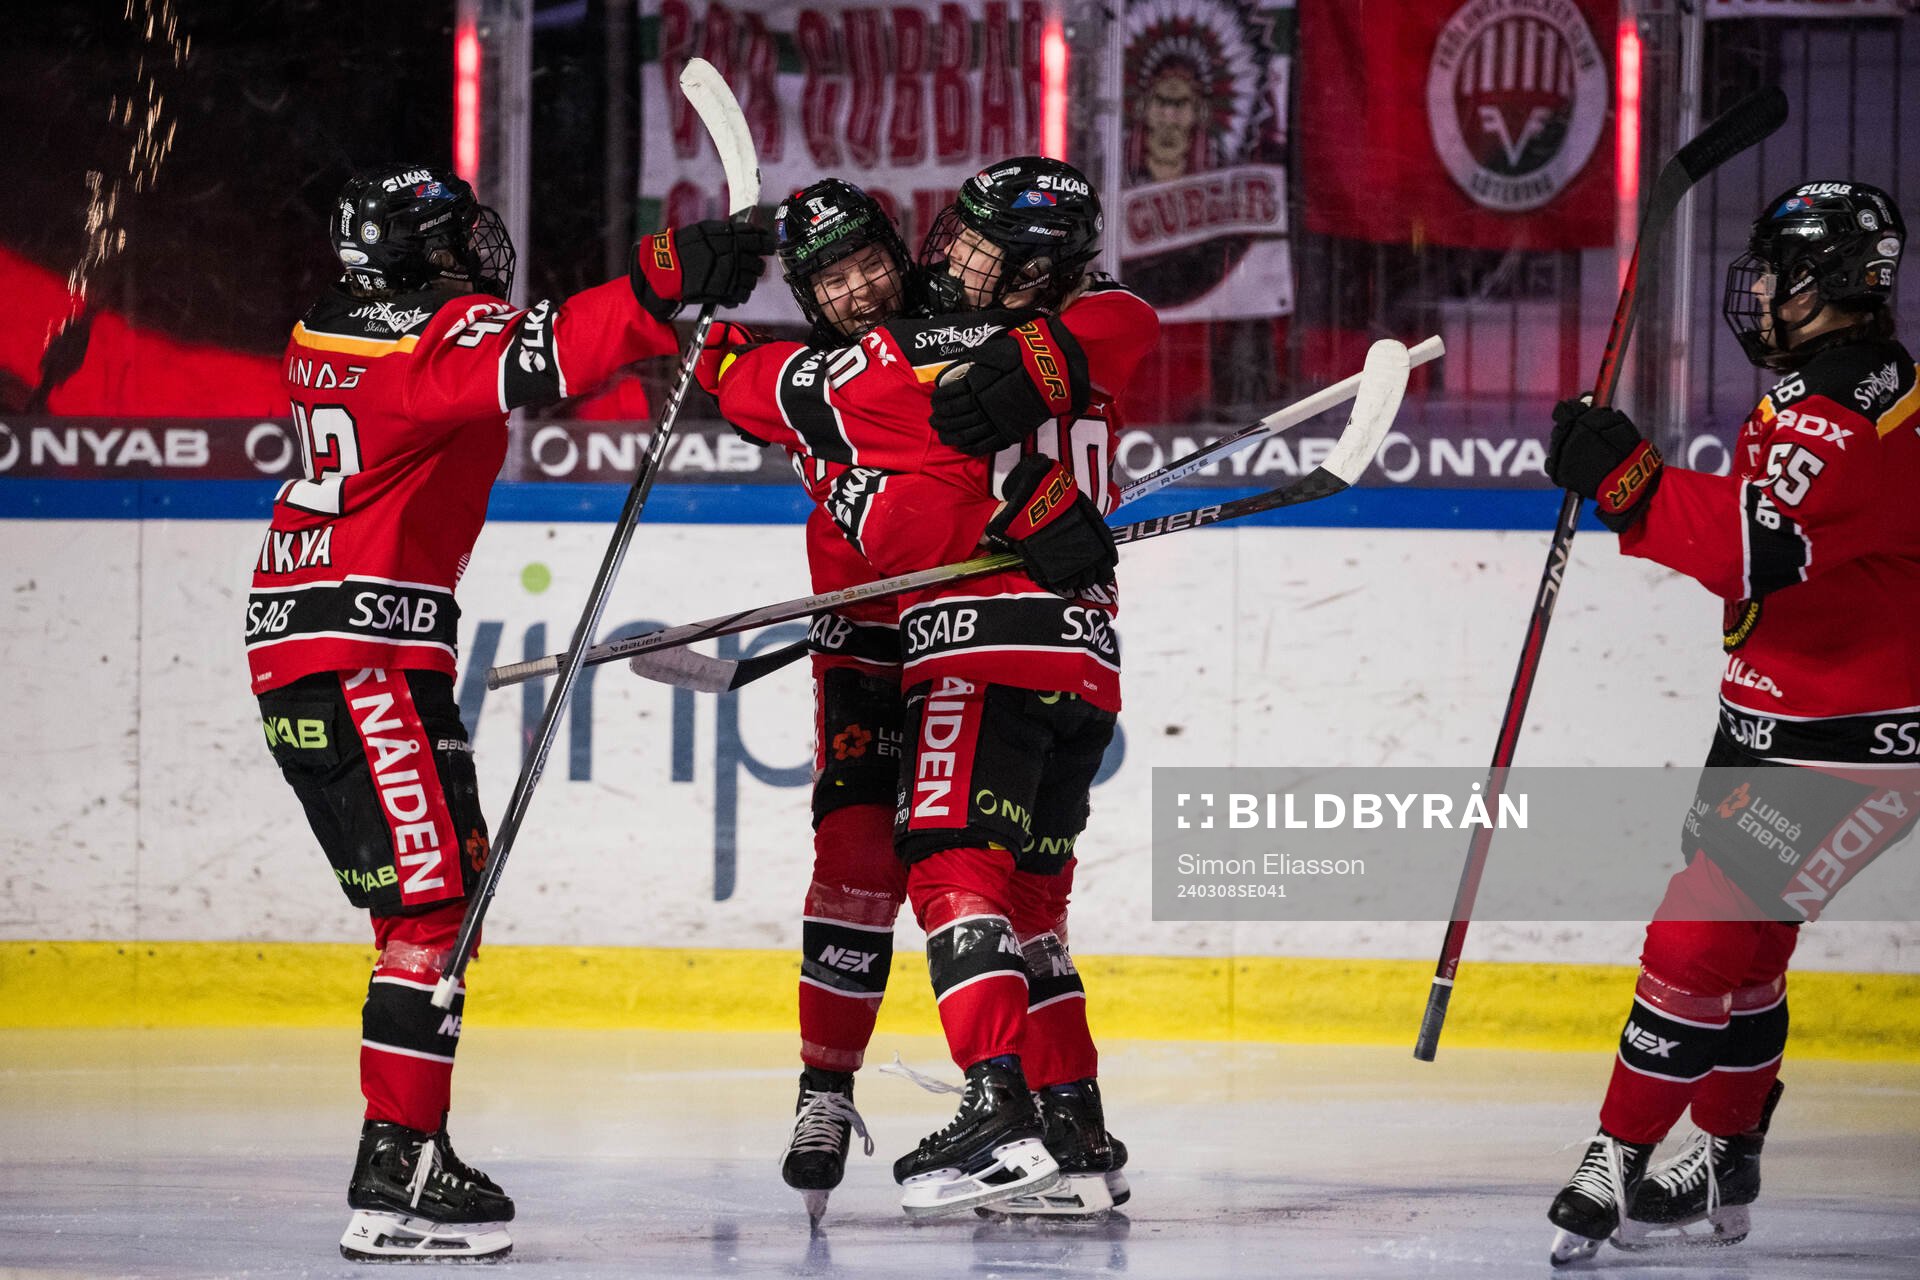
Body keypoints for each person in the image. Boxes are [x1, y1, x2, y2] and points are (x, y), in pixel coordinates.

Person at [246, 163, 771, 1260]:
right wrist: (663, 280)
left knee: (432, 904)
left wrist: (659, 296)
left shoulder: (330, 327)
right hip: (364, 649)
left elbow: (516, 351)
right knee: (432, 913)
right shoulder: (422, 341)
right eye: (456, 236)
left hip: (334, 642)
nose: (481, 249)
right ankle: (394, 1176)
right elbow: (545, 352)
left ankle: (408, 1152)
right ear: (420, 255)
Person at [699, 157, 1160, 1219]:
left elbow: (1115, 319)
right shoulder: (967, 342)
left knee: (951, 866)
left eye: (875, 261)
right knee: (960, 888)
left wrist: (709, 350)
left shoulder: (910, 351)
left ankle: (998, 1103)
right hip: (952, 645)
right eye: (829, 279)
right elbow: (1120, 325)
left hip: (965, 633)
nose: (864, 285)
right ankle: (1060, 1125)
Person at [1541, 180, 1919, 1265]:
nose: (1757, 294)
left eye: (1777, 275)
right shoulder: (1832, 387)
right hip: (1768, 728)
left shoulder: (1850, 413)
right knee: (1744, 957)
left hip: (1839, 752)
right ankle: (1726, 1152)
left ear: (1838, 287)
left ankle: (1615, 1150)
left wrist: (1627, 476)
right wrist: (1632, 476)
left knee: (1692, 939)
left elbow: (1757, 545)